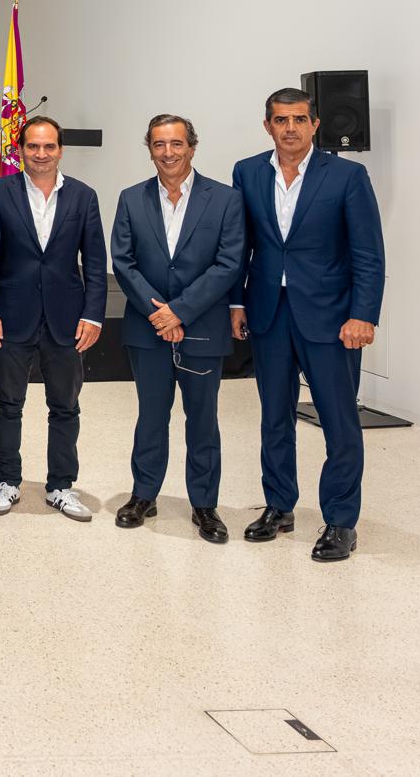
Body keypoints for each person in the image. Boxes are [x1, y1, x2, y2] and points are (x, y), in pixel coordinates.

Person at [231, 87, 384, 562]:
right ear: (268, 126)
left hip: (332, 319)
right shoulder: (248, 172)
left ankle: (340, 520)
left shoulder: (348, 176)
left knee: (339, 422)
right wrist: (237, 304)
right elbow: (241, 246)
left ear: (315, 124)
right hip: (269, 314)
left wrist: (363, 314)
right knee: (274, 418)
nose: (290, 128)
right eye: (281, 120)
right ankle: (279, 506)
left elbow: (368, 254)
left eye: (300, 119)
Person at [110, 114, 244, 543]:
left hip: (201, 326)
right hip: (147, 328)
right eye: (159, 145)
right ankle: (143, 495)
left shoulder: (224, 200)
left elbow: (228, 264)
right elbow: (123, 262)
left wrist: (179, 312)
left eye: (176, 144)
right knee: (151, 416)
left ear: (192, 147)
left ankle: (204, 504)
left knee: (202, 419)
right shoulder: (131, 198)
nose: (168, 153)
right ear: (149, 149)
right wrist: (159, 314)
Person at [0, 117, 107, 522]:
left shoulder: (83, 197)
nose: (41, 153)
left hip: (67, 319)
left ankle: (61, 486)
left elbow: (97, 264)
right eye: (33, 146)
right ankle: (8, 482)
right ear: (21, 150)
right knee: (7, 403)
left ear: (60, 150)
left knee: (66, 406)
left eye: (48, 146)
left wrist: (94, 314)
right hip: (10, 316)